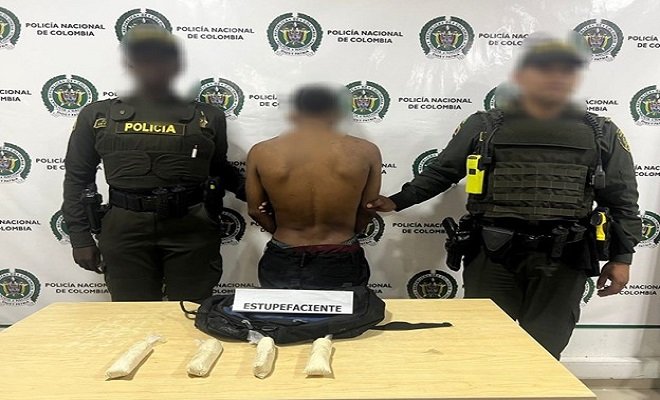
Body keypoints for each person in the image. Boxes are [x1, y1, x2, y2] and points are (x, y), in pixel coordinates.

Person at [366, 34, 641, 359]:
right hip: (493, 254)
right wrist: (397, 201)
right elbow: (442, 172)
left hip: (564, 259)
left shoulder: (601, 132)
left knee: (545, 351)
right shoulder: (484, 125)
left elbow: (621, 199)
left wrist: (622, 258)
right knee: (484, 347)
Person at [62, 25, 245, 302]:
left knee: (191, 312)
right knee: (133, 315)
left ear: (176, 65)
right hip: (125, 228)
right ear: (130, 63)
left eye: (162, 58)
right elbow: (78, 178)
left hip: (191, 227)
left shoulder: (208, 116)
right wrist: (80, 238)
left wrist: (263, 196)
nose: (154, 65)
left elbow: (219, 168)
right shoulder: (97, 115)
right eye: (144, 58)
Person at [246, 84, 381, 290]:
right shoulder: (366, 151)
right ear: (337, 112)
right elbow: (368, 207)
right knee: (344, 312)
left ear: (295, 112)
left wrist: (283, 232)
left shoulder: (262, 152)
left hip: (285, 252)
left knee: (282, 312)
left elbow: (255, 210)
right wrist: (346, 234)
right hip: (341, 252)